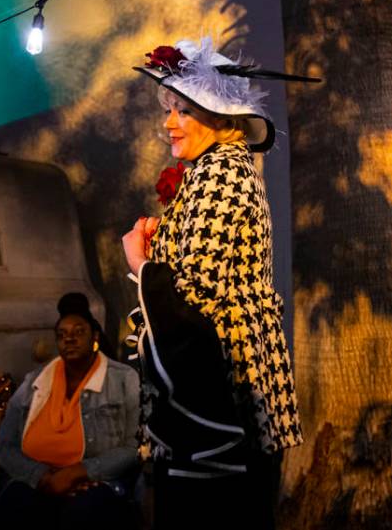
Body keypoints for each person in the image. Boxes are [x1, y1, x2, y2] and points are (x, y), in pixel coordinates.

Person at [122, 38, 308, 530]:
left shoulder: (221, 174)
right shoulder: (211, 172)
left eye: (182, 111)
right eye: (170, 109)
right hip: (221, 396)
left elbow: (194, 301)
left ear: (220, 119)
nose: (168, 123)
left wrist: (141, 262)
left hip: (219, 399)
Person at [0, 293, 141, 530]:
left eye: (78, 332)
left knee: (82, 512)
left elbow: (135, 447)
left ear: (95, 336)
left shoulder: (123, 379)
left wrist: (80, 472)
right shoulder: (35, 381)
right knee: (8, 511)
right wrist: (43, 477)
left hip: (96, 480)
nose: (69, 339)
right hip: (39, 481)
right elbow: (6, 447)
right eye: (62, 335)